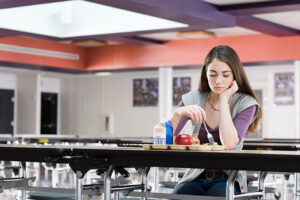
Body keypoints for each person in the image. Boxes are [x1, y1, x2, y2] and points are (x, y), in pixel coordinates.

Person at [169, 45, 262, 197]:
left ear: (235, 75)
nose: (218, 81)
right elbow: (165, 138)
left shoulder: (246, 103)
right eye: (213, 74)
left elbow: (229, 143)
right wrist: (177, 114)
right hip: (194, 177)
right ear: (205, 74)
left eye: (225, 75)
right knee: (179, 195)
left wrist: (224, 99)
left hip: (228, 179)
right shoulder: (192, 98)